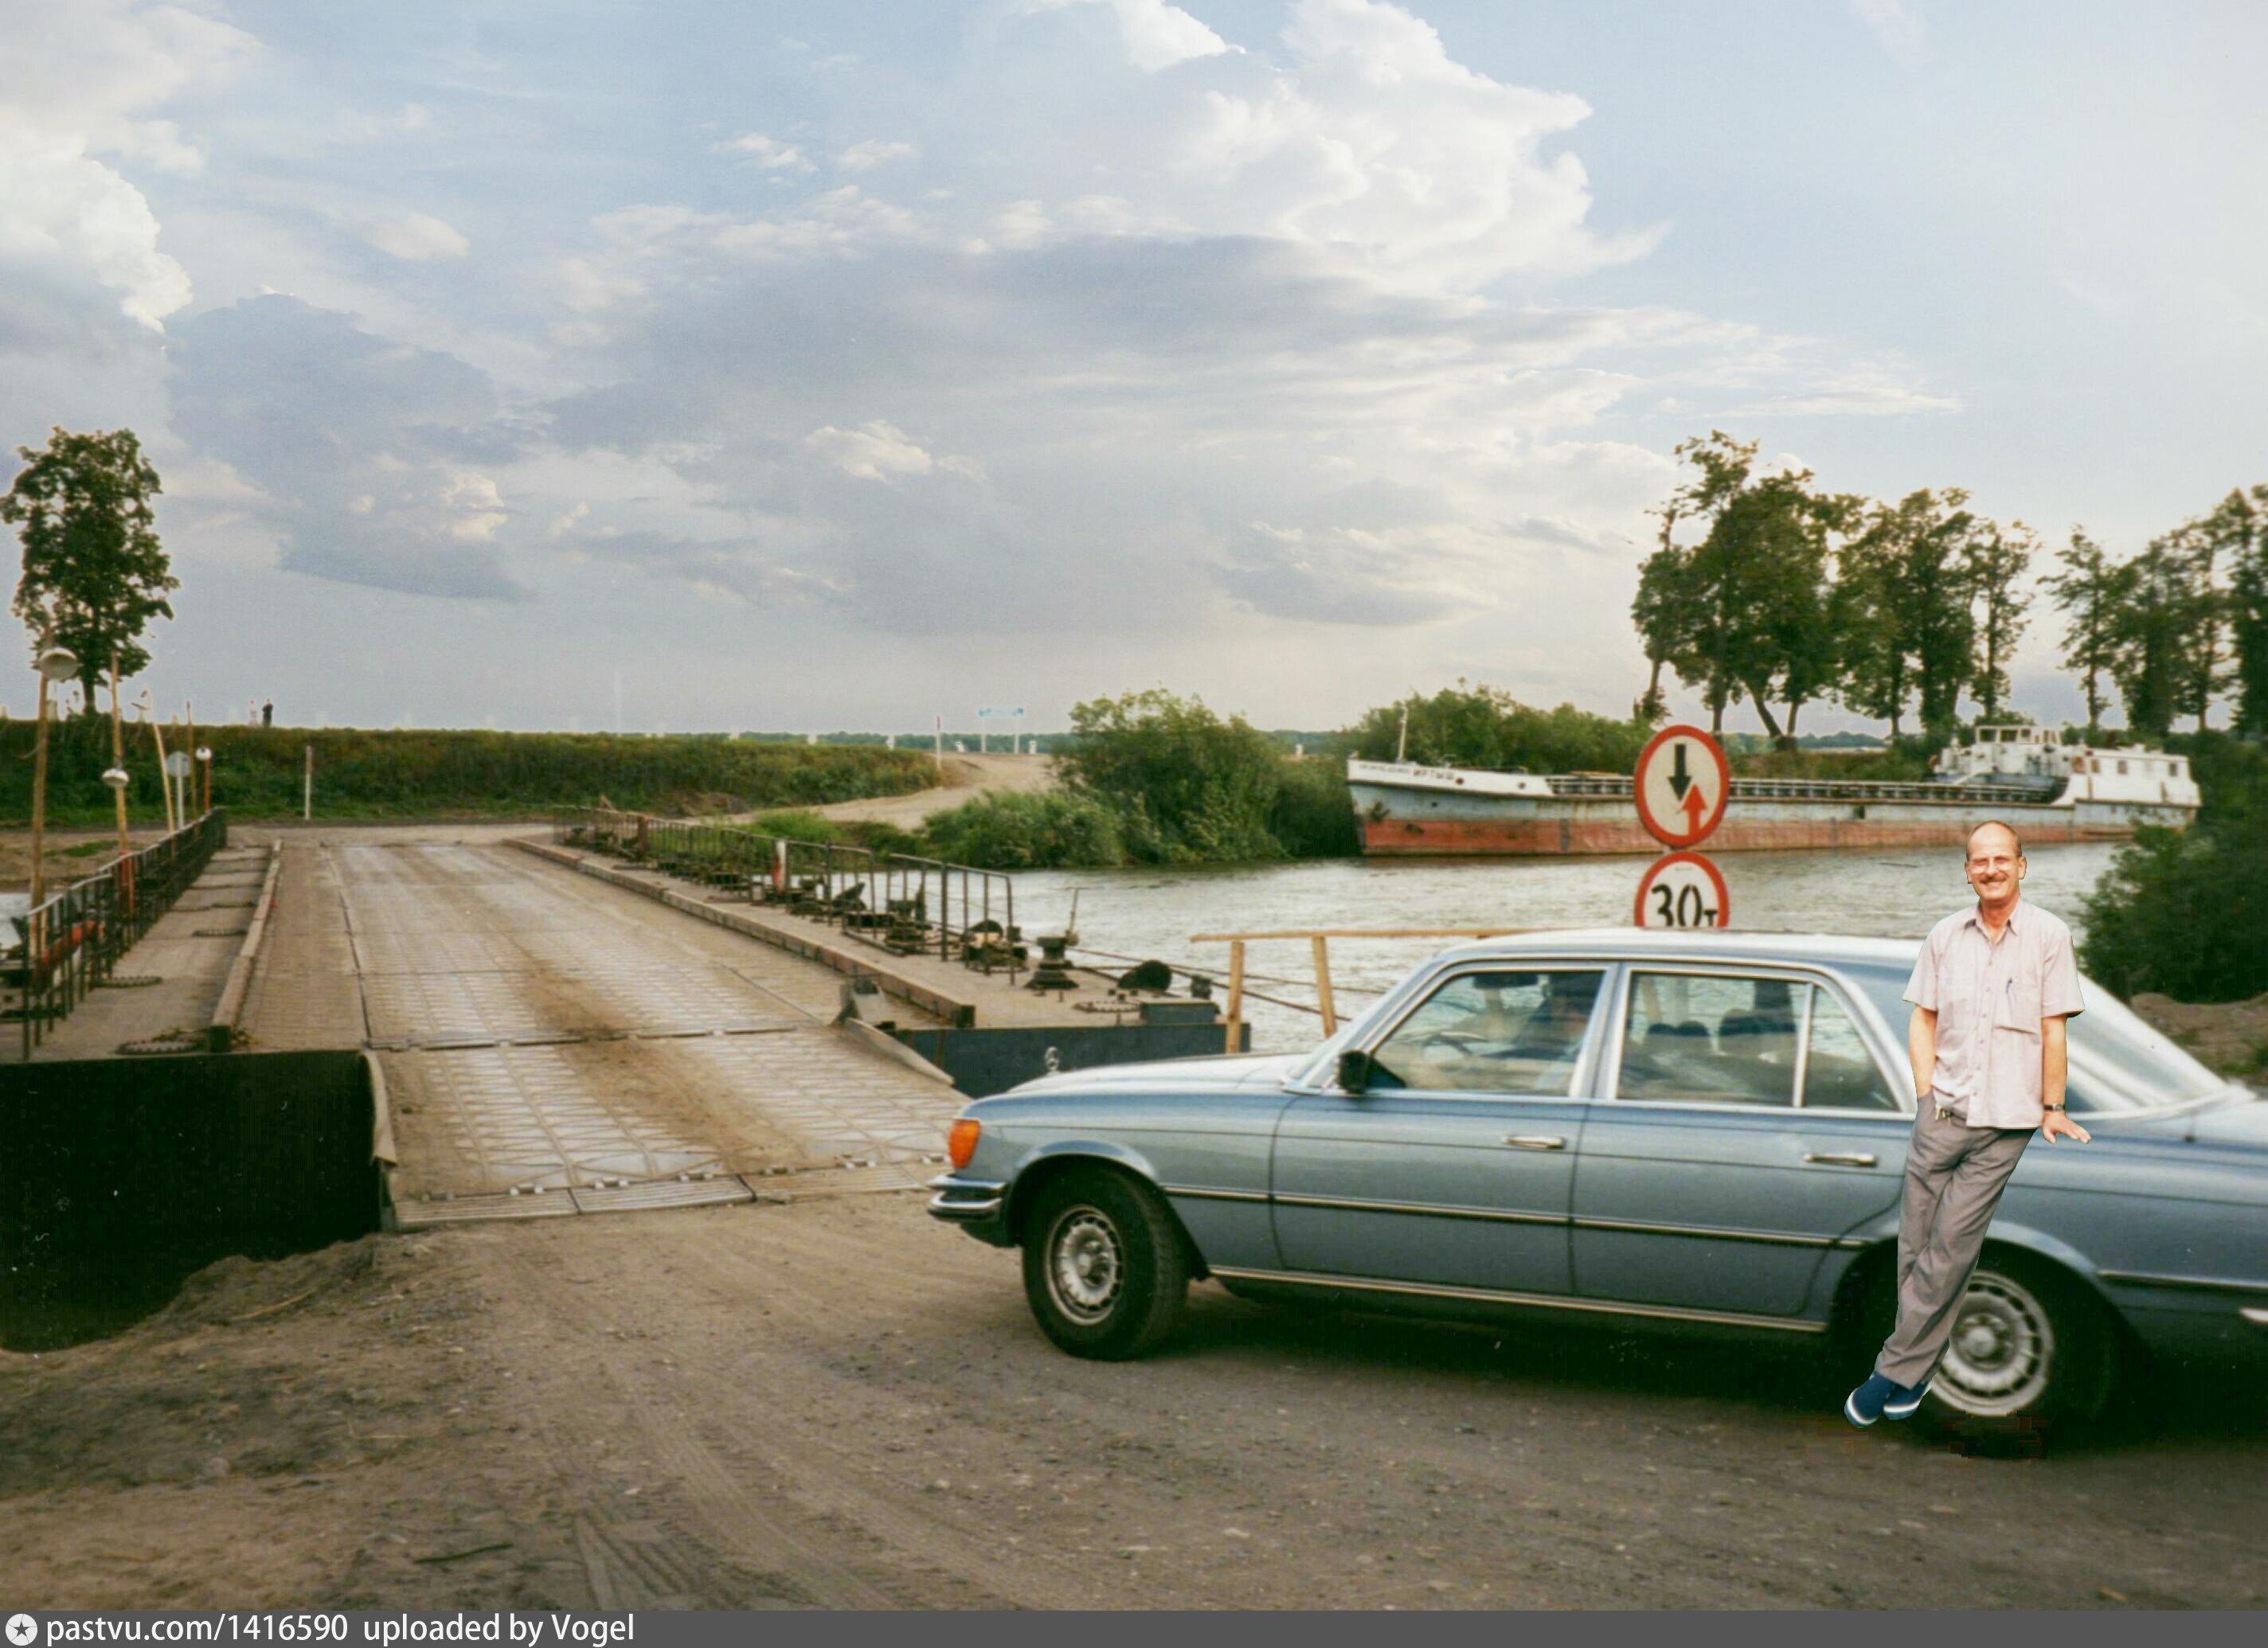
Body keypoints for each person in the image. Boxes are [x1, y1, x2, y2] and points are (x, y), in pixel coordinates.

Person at [1845, 819, 2090, 1427]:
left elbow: (2054, 1029)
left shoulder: (2049, 937)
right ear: (1967, 872)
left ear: (2021, 866)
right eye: (1980, 861)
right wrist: (1924, 1094)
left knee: (1949, 1250)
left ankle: (1890, 1371)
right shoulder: (1944, 936)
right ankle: (1921, 1371)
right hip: (1941, 1113)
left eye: (2001, 859)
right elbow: (1923, 1019)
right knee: (1913, 1250)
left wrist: (2053, 1107)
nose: (1991, 869)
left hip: (2004, 1124)